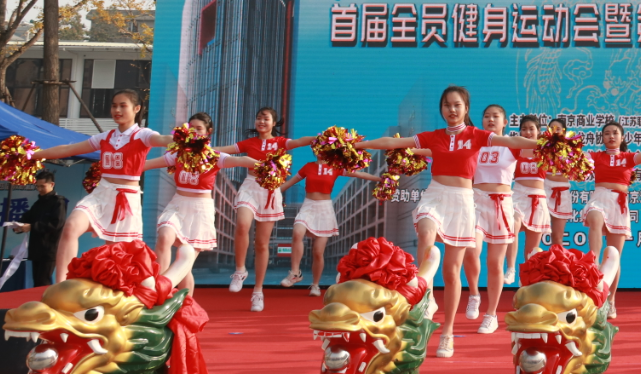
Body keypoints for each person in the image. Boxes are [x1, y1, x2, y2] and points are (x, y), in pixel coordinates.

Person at [360, 85, 537, 358]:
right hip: (436, 194)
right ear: (441, 109)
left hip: (464, 201)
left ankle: (448, 333)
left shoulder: (477, 135)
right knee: (426, 231)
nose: (451, 110)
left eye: (457, 105)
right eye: (446, 105)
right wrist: (357, 145)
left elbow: (514, 143)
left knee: (452, 272)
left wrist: (549, 144)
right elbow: (393, 143)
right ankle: (427, 296)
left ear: (466, 109)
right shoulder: (433, 136)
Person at [31, 89, 173, 283]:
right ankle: (62, 284)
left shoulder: (143, 135)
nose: (117, 110)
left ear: (137, 108)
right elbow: (69, 149)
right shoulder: (105, 137)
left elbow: (163, 139)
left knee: (119, 255)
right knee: (71, 227)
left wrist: (184, 140)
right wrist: (33, 155)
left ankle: (140, 289)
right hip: (101, 193)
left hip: (125, 200)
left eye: (123, 106)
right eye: (114, 106)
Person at [143, 112, 258, 295]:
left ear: (208, 131)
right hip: (178, 205)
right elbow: (146, 164)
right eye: (191, 129)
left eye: (199, 129)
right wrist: (119, 167)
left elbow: (240, 160)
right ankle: (157, 292)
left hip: (200, 211)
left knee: (184, 263)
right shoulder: (178, 154)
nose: (194, 133)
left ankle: (185, 304)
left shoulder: (214, 156)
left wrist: (266, 166)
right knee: (164, 237)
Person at [215, 107, 317, 312]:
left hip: (270, 191)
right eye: (258, 118)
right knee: (242, 225)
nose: (261, 121)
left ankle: (258, 292)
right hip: (250, 186)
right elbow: (222, 150)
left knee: (261, 244)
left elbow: (300, 141)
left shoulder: (280, 143)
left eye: (266, 118)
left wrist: (321, 138)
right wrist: (198, 148)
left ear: (274, 123)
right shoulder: (248, 143)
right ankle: (240, 270)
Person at [583, 119, 641, 319]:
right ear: (602, 138)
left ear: (622, 137)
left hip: (618, 204)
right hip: (599, 197)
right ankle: (593, 262)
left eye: (615, 133)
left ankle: (610, 300)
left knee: (615, 256)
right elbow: (576, 156)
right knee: (594, 217)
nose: (611, 136)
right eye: (607, 133)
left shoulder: (629, 158)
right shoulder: (595, 156)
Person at [278, 159, 380, 296]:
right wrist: (271, 192)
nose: (319, 151)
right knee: (297, 233)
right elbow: (289, 183)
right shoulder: (308, 166)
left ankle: (315, 285)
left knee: (318, 252)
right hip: (308, 206)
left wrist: (381, 179)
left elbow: (359, 174)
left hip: (324, 209)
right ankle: (295, 273)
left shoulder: (336, 166)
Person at [463, 104, 518, 334]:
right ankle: (474, 294)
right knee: (470, 250)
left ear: (505, 122)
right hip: (475, 201)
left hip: (501, 204)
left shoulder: (512, 145)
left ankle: (491, 314)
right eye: (486, 116)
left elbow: (537, 147)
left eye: (496, 116)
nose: (491, 119)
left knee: (495, 263)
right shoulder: (474, 143)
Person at [508, 114, 550, 270]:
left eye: (531, 129)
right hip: (518, 195)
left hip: (537, 198)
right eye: (524, 129)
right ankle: (511, 268)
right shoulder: (515, 150)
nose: (527, 132)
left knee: (532, 250)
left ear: (538, 131)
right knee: (513, 223)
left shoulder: (546, 151)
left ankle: (527, 278)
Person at [13, 169, 66, 287]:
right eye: (37, 186)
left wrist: (32, 227)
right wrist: (18, 226)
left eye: (43, 186)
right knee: (36, 283)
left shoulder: (58, 202)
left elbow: (56, 224)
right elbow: (28, 217)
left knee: (43, 283)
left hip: (49, 250)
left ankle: (45, 300)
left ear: (52, 184)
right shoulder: (38, 203)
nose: (40, 189)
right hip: (36, 249)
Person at [543, 117, 574, 248]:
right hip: (543, 190)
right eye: (552, 128)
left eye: (558, 129)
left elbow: (578, 171)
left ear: (564, 131)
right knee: (535, 231)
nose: (554, 131)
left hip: (561, 192)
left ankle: (556, 260)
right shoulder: (540, 148)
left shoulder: (572, 149)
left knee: (557, 237)